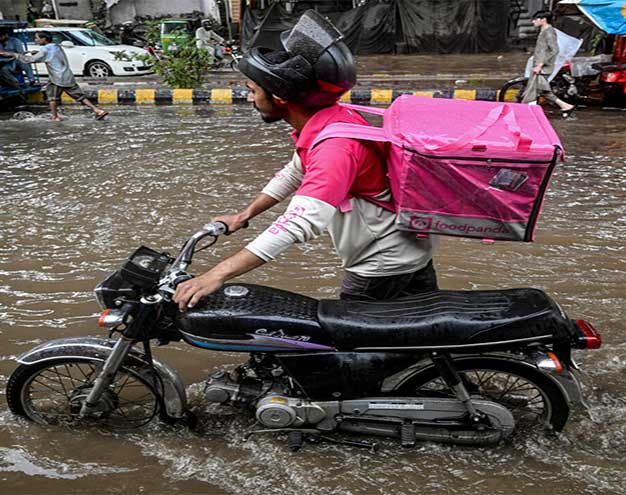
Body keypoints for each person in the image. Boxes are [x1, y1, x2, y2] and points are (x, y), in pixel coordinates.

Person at [172, 10, 436, 311]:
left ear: (281, 98)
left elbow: (300, 222)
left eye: (253, 91)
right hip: (407, 249)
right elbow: (294, 172)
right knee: (422, 335)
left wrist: (216, 274)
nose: (249, 99)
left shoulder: (337, 146)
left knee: (348, 345)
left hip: (381, 264)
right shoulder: (333, 119)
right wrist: (244, 215)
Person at [0, 31, 107, 121]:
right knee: (80, 96)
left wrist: (13, 54)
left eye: (37, 38)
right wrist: (37, 52)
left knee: (52, 98)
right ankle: (97, 110)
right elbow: (49, 55)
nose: (36, 40)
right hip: (67, 75)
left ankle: (55, 117)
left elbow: (30, 60)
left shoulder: (45, 49)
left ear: (44, 39)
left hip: (57, 78)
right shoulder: (56, 46)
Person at [521, 10, 576, 118]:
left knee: (535, 89)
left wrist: (540, 65)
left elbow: (554, 50)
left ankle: (527, 112)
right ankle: (565, 106)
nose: (533, 22)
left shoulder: (549, 32)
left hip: (542, 68)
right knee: (540, 90)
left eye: (535, 19)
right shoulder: (544, 31)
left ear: (543, 19)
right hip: (538, 66)